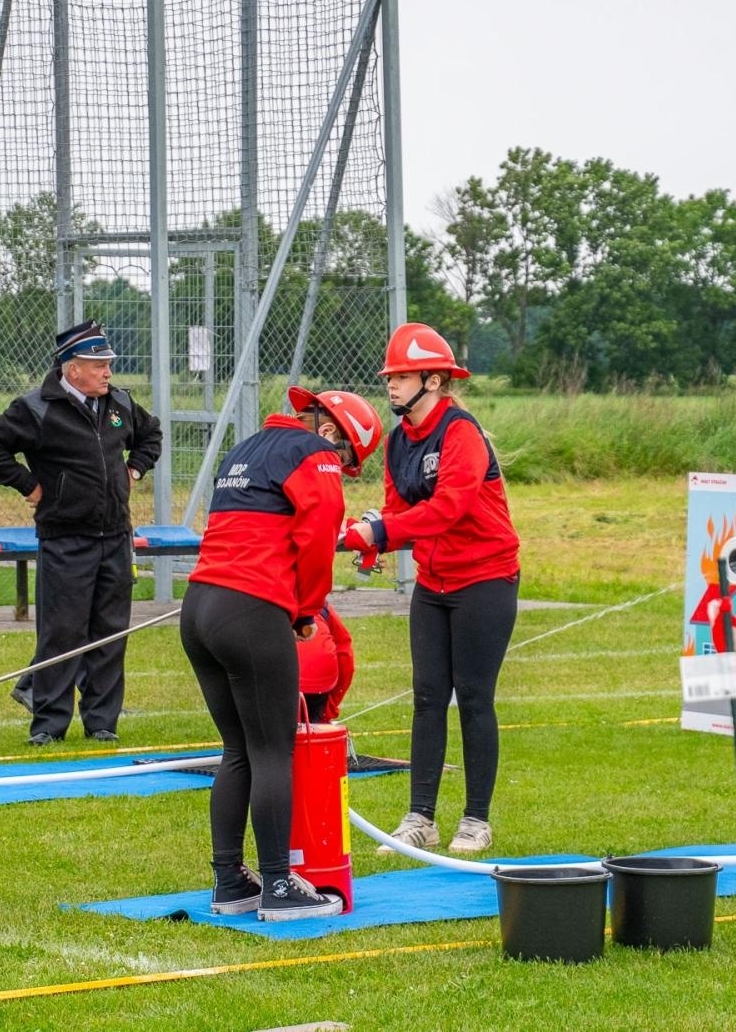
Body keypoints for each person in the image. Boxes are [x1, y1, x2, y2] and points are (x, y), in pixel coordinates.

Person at [182, 385, 381, 922]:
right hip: (251, 609)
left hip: (199, 606)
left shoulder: (248, 446)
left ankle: (230, 882)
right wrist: (305, 610)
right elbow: (317, 541)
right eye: (347, 458)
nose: (342, 467)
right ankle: (277, 885)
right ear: (333, 433)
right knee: (273, 751)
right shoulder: (315, 455)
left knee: (237, 751)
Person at [345, 323, 520, 856]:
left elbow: (450, 509)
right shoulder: (400, 440)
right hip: (435, 583)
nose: (391, 386)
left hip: (485, 579)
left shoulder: (461, 433)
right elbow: (398, 511)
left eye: (401, 376)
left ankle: (476, 821)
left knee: (472, 698)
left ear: (435, 380)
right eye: (391, 376)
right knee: (426, 699)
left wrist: (383, 531)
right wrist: (373, 539)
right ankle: (420, 818)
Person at [0, 322, 162, 745]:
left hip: (115, 535)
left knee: (110, 631)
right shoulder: (37, 408)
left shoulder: (120, 404)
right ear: (72, 368)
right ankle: (49, 724)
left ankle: (102, 722)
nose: (107, 372)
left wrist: (135, 468)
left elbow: (151, 435)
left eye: (108, 364)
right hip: (64, 537)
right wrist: (28, 484)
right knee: (61, 631)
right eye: (99, 365)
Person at [300, 600, 354, 725]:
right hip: (321, 675)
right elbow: (346, 657)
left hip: (288, 674)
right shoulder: (323, 606)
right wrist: (330, 707)